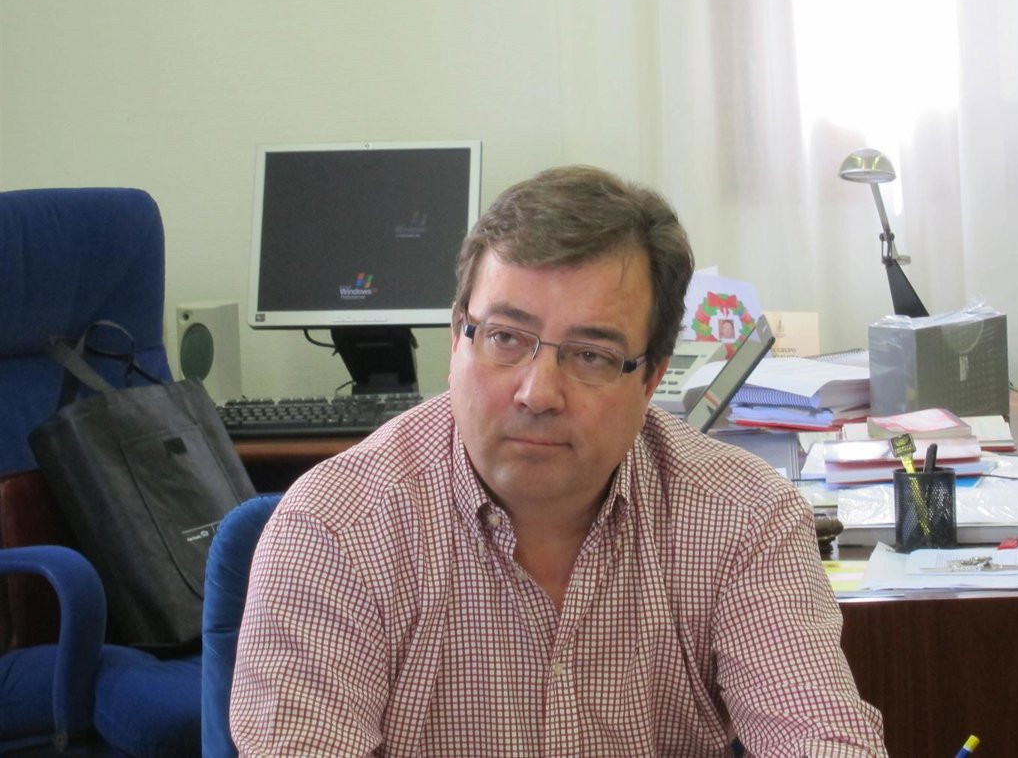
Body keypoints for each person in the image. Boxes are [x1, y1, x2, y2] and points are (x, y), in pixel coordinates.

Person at [230, 165, 887, 756]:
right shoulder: (333, 531)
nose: (537, 393)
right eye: (505, 338)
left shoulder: (744, 516)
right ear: (457, 338)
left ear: (651, 379)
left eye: (592, 355)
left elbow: (821, 738)